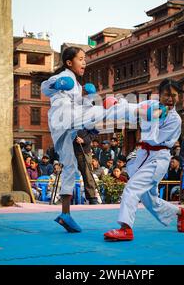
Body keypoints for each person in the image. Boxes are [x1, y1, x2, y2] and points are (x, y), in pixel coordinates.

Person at [41, 46, 135, 233]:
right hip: (63, 118)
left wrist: (87, 97)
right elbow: (45, 87)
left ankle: (65, 214)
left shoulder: (76, 84)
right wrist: (57, 84)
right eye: (81, 59)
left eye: (85, 59)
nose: (85, 62)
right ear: (69, 62)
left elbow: (77, 105)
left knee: (70, 167)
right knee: (100, 111)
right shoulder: (65, 77)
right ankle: (129, 107)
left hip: (65, 126)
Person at [104, 79, 184, 241]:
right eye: (166, 95)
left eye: (173, 95)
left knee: (132, 188)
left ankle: (126, 228)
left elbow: (155, 139)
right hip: (143, 156)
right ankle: (181, 213)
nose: (170, 99)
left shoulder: (175, 119)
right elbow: (133, 108)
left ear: (179, 97)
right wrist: (118, 104)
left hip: (159, 159)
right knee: (149, 200)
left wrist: (151, 116)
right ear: (160, 95)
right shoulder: (151, 104)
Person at [74, 129, 99, 205]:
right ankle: (65, 196)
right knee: (66, 175)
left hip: (84, 152)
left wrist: (84, 140)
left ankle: (92, 197)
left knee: (87, 175)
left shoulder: (86, 119)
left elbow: (94, 132)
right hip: (70, 151)